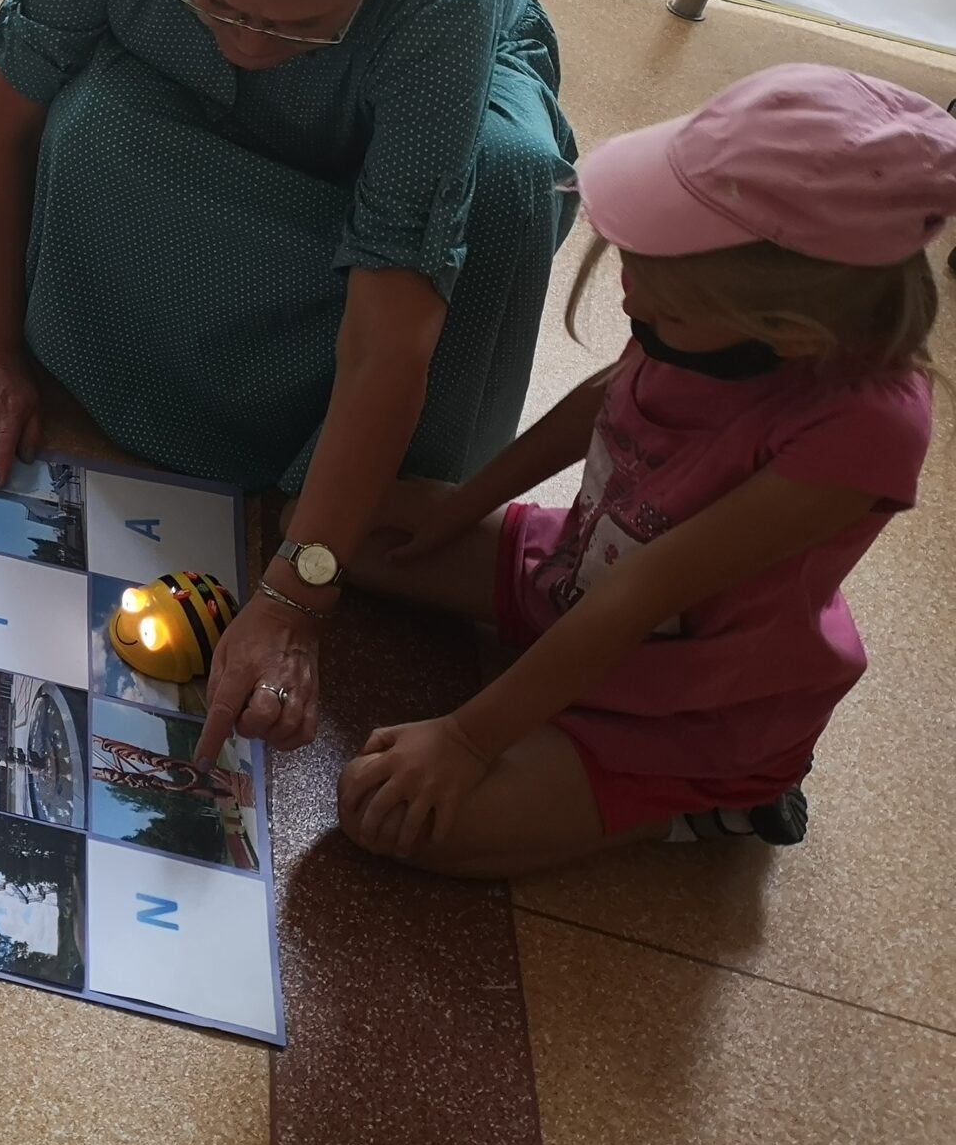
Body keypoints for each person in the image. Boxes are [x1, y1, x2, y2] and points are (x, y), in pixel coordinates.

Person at [0, 0, 576, 761]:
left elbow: (394, 330)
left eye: (300, 25)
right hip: (169, 79)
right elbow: (11, 110)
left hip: (403, 105)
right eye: (223, 2)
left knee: (506, 180)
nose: (251, 46)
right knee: (92, 125)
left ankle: (343, 492)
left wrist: (296, 597)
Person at [335, 64, 949, 877]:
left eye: (664, 308)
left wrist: (465, 738)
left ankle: (721, 801)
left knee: (388, 816)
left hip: (696, 703)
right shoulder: (713, 317)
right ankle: (552, 686)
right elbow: (606, 396)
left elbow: (644, 596)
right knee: (353, 527)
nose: (631, 302)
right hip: (580, 572)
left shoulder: (866, 429)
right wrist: (460, 507)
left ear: (793, 330)